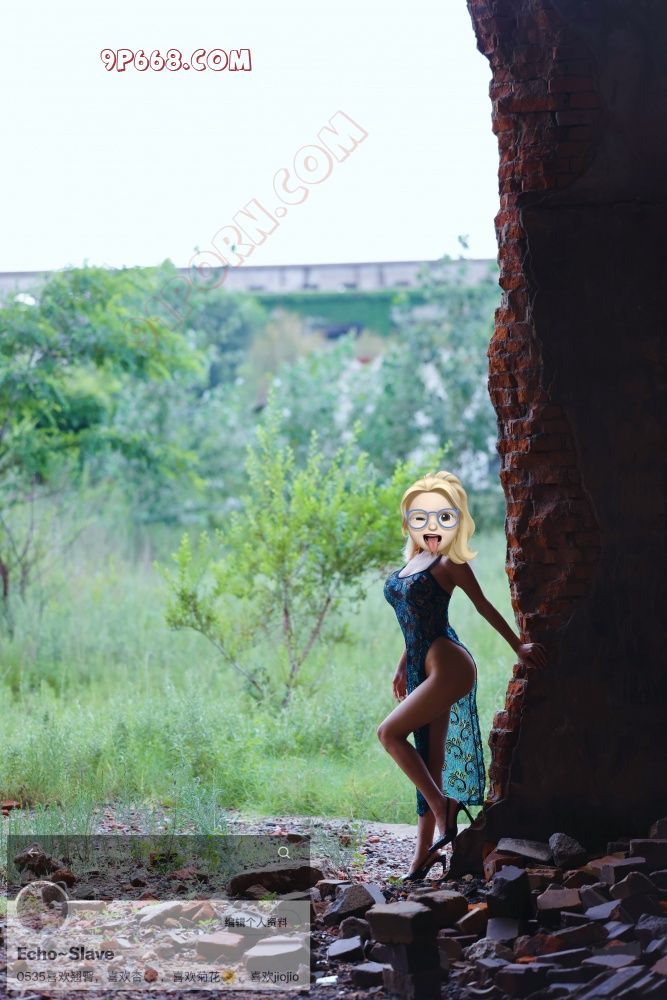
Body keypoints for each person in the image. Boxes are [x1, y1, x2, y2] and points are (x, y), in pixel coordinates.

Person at [378, 470, 546, 881]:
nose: (430, 523)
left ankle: (443, 808)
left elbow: (483, 606)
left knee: (389, 734)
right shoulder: (414, 560)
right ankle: (422, 857)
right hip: (420, 664)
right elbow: (415, 620)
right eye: (421, 514)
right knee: (428, 762)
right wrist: (401, 664)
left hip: (450, 665)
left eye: (441, 515)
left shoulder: (448, 562)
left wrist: (519, 646)